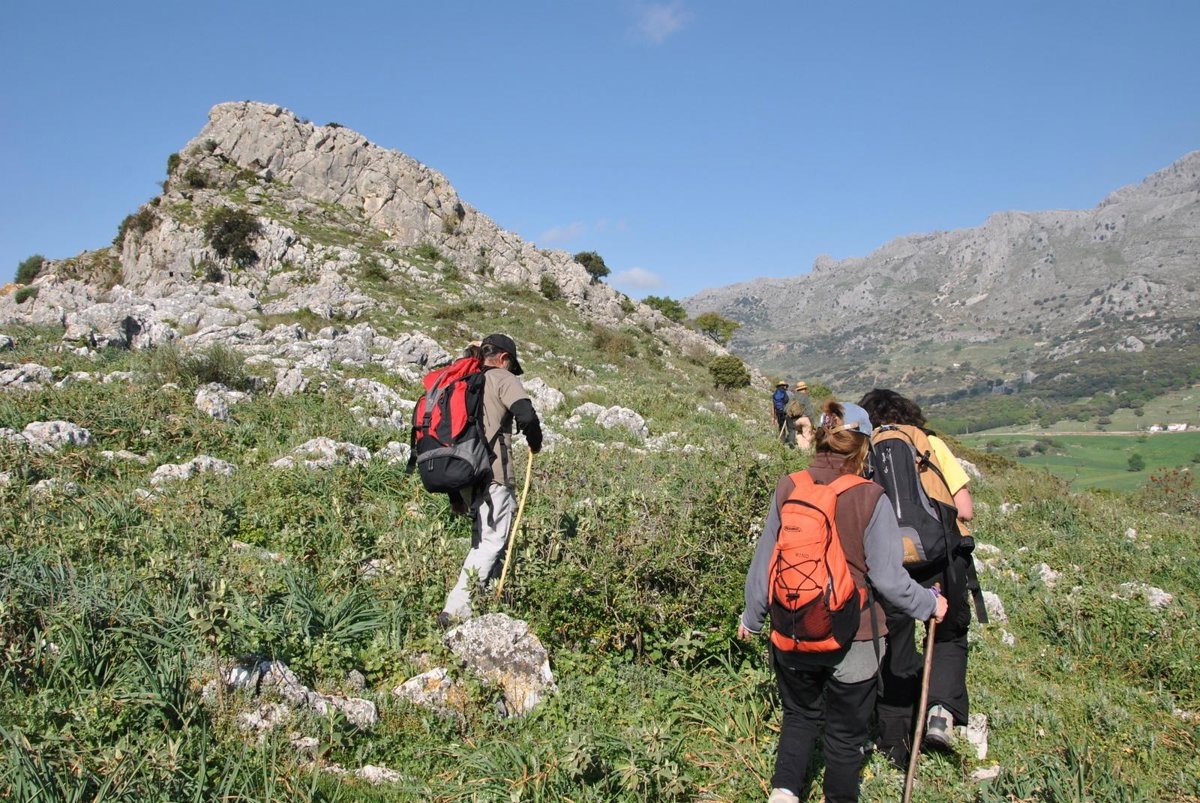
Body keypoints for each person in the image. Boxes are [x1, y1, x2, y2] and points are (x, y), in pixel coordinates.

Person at [739, 400, 948, 803]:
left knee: (799, 718)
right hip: (856, 638)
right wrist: (929, 604)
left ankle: (784, 792)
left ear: (820, 437)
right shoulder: (870, 497)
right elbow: (888, 579)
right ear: (862, 446)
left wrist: (752, 617)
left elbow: (765, 561)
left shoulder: (789, 485)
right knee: (845, 736)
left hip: (792, 628)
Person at [857, 388, 976, 765]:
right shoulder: (930, 445)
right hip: (943, 559)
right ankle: (940, 713)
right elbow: (965, 510)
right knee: (949, 635)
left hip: (889, 566)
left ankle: (895, 742)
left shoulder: (864, 450)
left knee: (896, 646)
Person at [438, 334, 543, 627]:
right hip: (494, 473)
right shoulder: (501, 377)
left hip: (464, 472)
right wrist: (535, 442)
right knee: (493, 540)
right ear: (504, 358)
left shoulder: (465, 382)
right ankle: (455, 612)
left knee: (483, 538)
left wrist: (455, 494)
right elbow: (526, 415)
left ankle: (483, 601)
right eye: (512, 365)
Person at [788, 381, 814, 449]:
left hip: (795, 420)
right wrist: (812, 423)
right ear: (805, 389)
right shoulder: (806, 397)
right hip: (804, 419)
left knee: (799, 434)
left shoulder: (793, 397)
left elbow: (786, 409)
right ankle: (806, 451)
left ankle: (800, 449)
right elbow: (810, 412)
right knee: (807, 435)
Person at [772, 380, 796, 447]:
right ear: (785, 386)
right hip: (789, 413)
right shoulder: (791, 394)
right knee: (791, 428)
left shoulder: (775, 393)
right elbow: (794, 404)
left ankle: (782, 441)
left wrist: (773, 417)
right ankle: (791, 442)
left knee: (781, 426)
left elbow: (773, 406)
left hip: (779, 413)